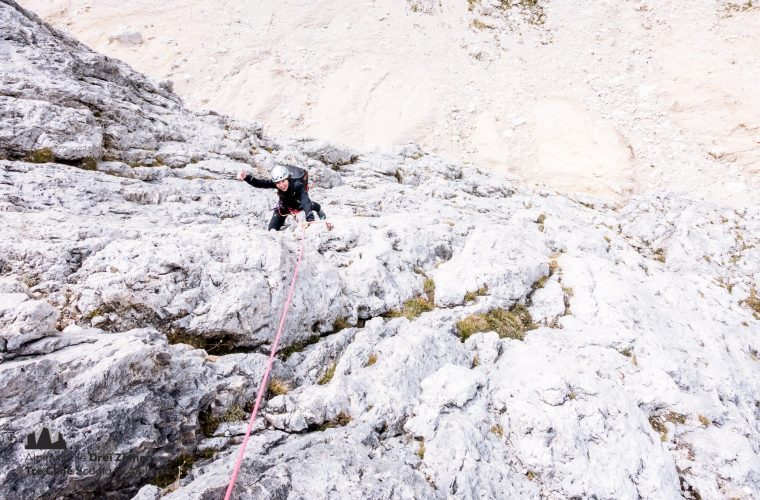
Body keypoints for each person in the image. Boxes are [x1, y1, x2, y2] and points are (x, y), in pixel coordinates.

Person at [236, 165, 329, 231]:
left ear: (287, 178)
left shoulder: (298, 185)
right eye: (278, 182)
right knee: (272, 230)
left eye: (283, 181)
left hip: (298, 204)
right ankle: (283, 222)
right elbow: (259, 183)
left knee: (308, 204)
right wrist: (246, 177)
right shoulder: (276, 183)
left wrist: (310, 219)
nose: (281, 185)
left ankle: (319, 209)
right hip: (284, 207)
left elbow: (305, 200)